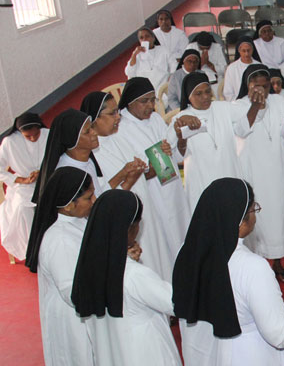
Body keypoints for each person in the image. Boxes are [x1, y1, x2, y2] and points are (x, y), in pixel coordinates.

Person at [173, 178, 284, 365]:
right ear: (239, 221)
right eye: (253, 209)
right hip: (250, 354)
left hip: (211, 354)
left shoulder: (188, 251)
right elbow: (280, 335)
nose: (255, 214)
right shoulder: (251, 266)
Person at [71, 189, 180, 366]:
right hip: (144, 353)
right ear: (130, 227)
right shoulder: (135, 274)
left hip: (112, 351)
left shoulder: (90, 265)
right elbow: (175, 303)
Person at [112, 78, 189, 281]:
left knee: (181, 234)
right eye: (144, 101)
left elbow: (174, 154)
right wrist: (160, 156)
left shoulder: (155, 119)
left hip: (172, 189)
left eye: (152, 100)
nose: (150, 106)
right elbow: (138, 172)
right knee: (163, 245)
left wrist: (177, 141)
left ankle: (185, 278)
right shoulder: (122, 129)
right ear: (129, 102)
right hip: (151, 196)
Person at [232, 64, 284, 282]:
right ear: (247, 86)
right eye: (256, 86)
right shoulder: (238, 105)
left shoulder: (278, 101)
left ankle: (277, 262)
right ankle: (256, 266)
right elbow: (241, 130)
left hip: (278, 166)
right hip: (254, 169)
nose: (262, 91)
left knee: (278, 215)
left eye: (266, 86)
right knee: (257, 216)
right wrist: (255, 107)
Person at [31, 167, 96, 365]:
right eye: (89, 197)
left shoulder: (79, 222)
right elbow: (71, 291)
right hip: (72, 317)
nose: (94, 201)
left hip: (85, 309)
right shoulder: (60, 239)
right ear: (68, 206)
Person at [31, 109, 142, 206]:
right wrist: (127, 183)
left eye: (92, 127)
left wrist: (124, 173)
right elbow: (94, 207)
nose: (94, 133)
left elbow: (98, 196)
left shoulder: (87, 161)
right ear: (72, 139)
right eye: (87, 131)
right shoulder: (67, 172)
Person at [167, 72, 243, 210]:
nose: (206, 97)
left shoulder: (223, 108)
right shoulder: (181, 118)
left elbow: (247, 115)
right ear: (189, 97)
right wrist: (180, 132)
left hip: (229, 174)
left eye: (208, 91)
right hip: (201, 182)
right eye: (199, 94)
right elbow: (171, 152)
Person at [0, 113, 48, 261]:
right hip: (23, 186)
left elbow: (60, 157)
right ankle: (33, 251)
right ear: (20, 133)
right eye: (28, 136)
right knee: (23, 208)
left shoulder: (49, 134)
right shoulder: (10, 142)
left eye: (36, 134)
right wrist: (20, 179)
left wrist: (43, 171)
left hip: (48, 179)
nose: (33, 138)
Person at [222, 37, 261, 101]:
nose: (246, 54)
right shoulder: (231, 68)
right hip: (237, 103)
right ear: (239, 51)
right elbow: (228, 93)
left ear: (253, 50)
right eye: (243, 51)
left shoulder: (260, 66)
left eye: (248, 50)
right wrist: (240, 103)